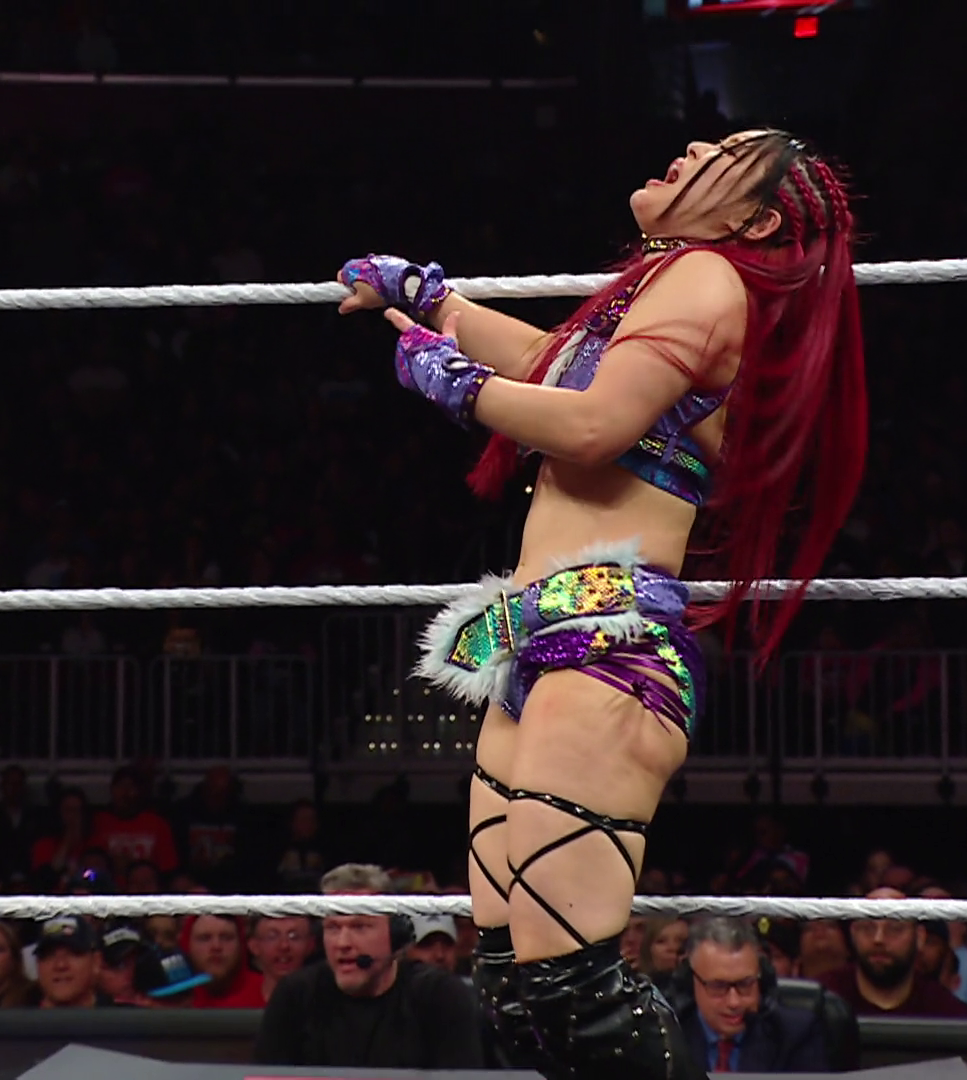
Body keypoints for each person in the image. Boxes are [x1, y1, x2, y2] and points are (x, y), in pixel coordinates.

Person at [338, 129, 863, 1080]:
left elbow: (590, 425)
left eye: (727, 151)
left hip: (606, 648)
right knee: (516, 994)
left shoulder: (707, 275)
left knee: (569, 990)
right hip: (538, 639)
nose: (694, 144)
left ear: (755, 220)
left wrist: (459, 386)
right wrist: (435, 303)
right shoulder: (667, 282)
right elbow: (560, 364)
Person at [254, 864, 483, 1068]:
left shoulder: (439, 996)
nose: (342, 943)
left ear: (395, 934)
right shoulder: (295, 995)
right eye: (333, 927)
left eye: (360, 927)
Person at [671, 917, 827, 1073]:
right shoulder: (667, 1037)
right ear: (690, 982)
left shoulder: (796, 1035)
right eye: (718, 986)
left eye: (745, 984)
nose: (734, 1002)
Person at [814, 889, 967, 1019]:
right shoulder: (819, 999)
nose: (878, 939)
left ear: (919, 938)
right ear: (853, 934)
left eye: (894, 928)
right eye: (867, 928)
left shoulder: (943, 1010)